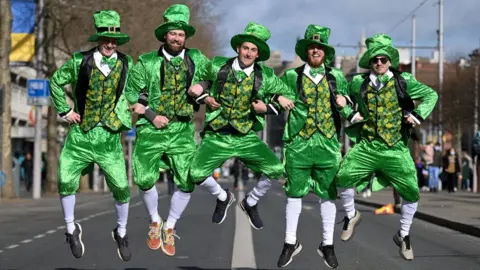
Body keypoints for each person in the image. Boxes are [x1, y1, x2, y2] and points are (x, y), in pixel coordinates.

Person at [336, 34, 438, 261]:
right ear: (370, 62)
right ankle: (351, 215)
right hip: (368, 146)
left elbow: (431, 95)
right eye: (375, 60)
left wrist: (417, 115)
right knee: (342, 177)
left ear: (389, 60)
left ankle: (403, 235)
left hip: (395, 149)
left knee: (411, 191)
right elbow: (342, 97)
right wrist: (348, 112)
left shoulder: (404, 81)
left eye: (383, 59)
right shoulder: (358, 83)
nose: (379, 63)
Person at [187, 22, 295, 230]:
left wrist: (271, 105)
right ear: (238, 49)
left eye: (253, 50)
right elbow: (203, 81)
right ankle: (223, 197)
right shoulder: (218, 65)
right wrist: (203, 93)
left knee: (275, 169)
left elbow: (289, 96)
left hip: (246, 136)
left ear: (258, 55)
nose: (248, 53)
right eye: (246, 48)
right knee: (196, 173)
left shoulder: (266, 76)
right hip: (217, 135)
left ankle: (251, 202)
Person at [125, 4, 210, 256]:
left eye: (181, 34)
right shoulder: (147, 62)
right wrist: (151, 115)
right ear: (165, 35)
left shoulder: (197, 59)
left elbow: (217, 75)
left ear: (186, 37)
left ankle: (170, 226)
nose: (177, 38)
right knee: (142, 177)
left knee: (187, 179)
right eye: (173, 33)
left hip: (183, 128)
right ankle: (154, 220)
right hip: (152, 129)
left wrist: (202, 84)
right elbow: (131, 91)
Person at [50, 10, 133, 261]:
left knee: (120, 185)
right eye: (106, 38)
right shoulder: (78, 61)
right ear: (98, 39)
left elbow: (139, 89)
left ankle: (121, 232)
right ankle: (70, 228)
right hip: (81, 133)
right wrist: (65, 110)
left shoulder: (126, 63)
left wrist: (138, 106)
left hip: (109, 136)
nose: (110, 43)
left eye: (114, 39)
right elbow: (55, 80)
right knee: (65, 178)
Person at [275, 24, 358, 269]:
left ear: (325, 52)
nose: (315, 51)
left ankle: (327, 244)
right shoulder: (292, 76)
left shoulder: (337, 76)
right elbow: (272, 91)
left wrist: (347, 104)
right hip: (299, 141)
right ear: (306, 51)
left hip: (328, 141)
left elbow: (347, 103)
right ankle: (290, 242)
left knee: (328, 193)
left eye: (319, 47)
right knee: (293, 192)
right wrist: (278, 97)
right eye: (311, 47)